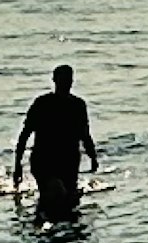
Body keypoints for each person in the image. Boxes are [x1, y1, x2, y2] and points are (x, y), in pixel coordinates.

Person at [12, 65, 100, 215]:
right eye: (62, 79)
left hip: (69, 161)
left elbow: (84, 134)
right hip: (44, 160)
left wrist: (93, 157)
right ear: (54, 80)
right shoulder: (42, 103)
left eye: (68, 79)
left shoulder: (78, 105)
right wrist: (17, 165)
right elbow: (25, 134)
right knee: (54, 194)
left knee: (69, 204)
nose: (66, 83)